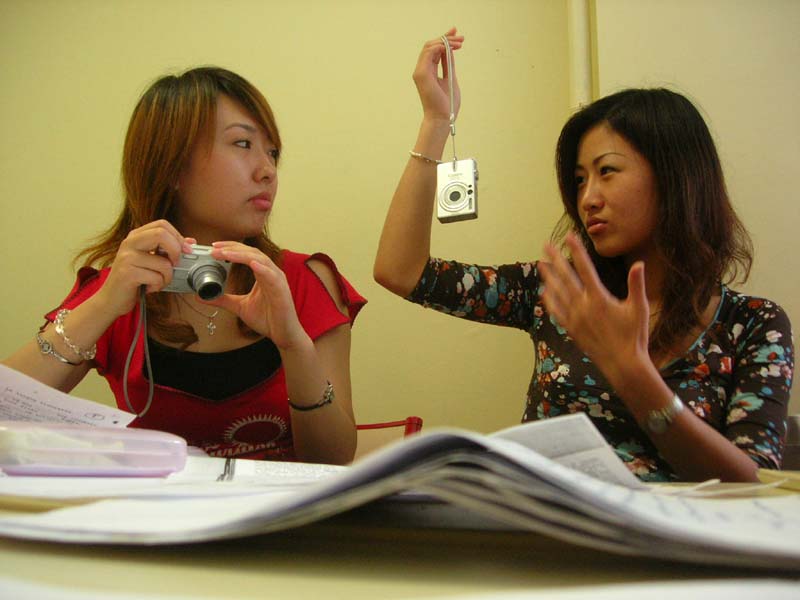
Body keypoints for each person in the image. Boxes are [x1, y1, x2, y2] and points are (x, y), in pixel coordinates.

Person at [374, 29, 793, 482]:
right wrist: (437, 122)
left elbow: (753, 482)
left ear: (676, 177)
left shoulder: (754, 325)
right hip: (550, 534)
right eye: (578, 180)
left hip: (671, 546)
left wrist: (635, 376)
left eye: (606, 171)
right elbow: (401, 270)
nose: (587, 198)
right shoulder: (558, 293)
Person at [4, 67, 366, 465]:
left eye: (273, 152)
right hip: (161, 522)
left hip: (284, 522)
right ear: (172, 166)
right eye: (243, 143)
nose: (267, 170)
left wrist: (294, 345)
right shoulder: (123, 286)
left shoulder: (303, 281)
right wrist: (103, 304)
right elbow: (8, 408)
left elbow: (333, 458)